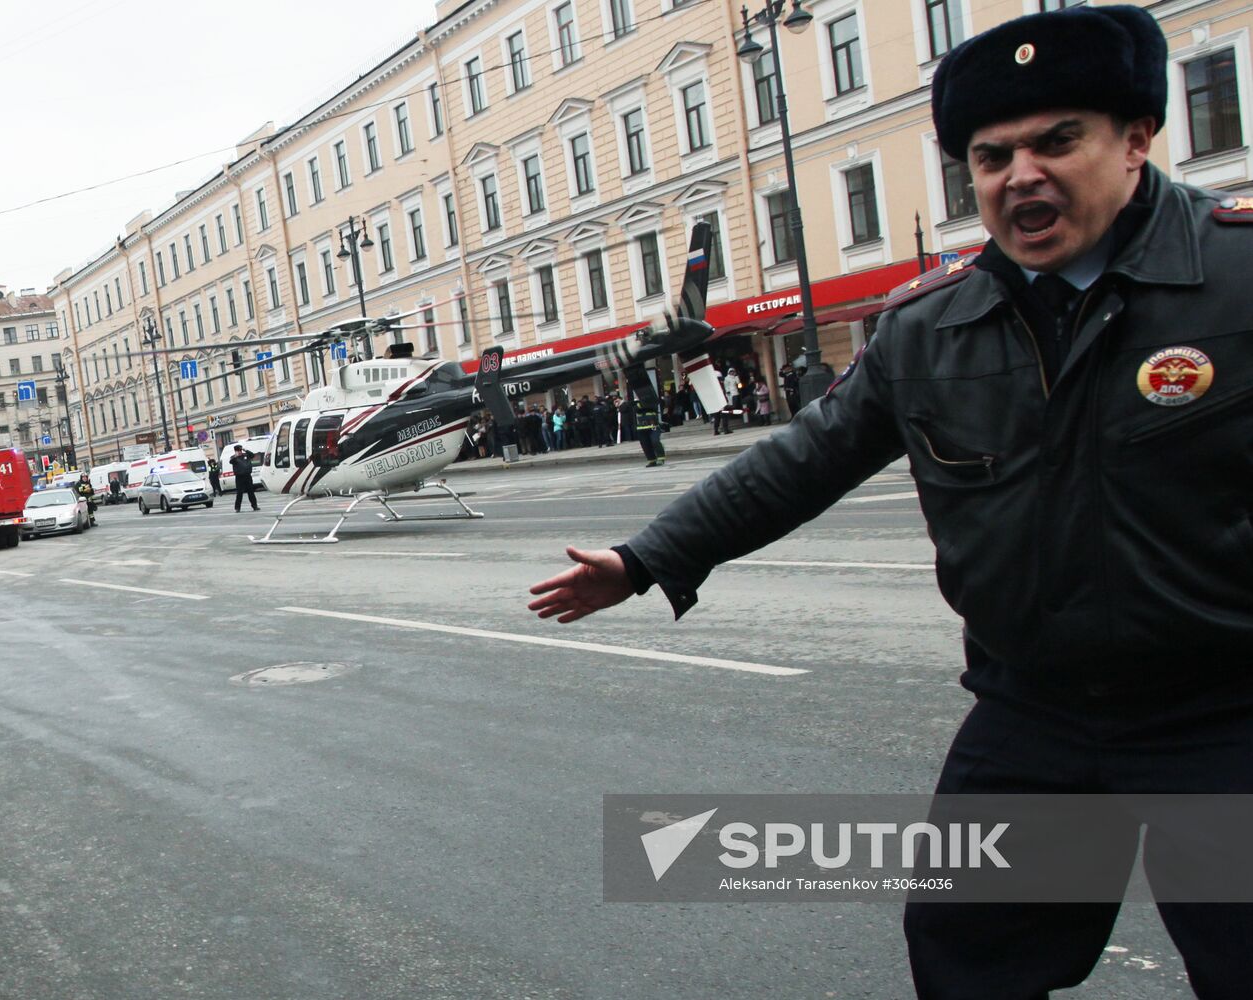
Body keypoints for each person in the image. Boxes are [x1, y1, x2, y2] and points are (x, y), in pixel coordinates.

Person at [528, 6, 1253, 997]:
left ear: (1134, 140)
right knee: (970, 961)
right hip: (1033, 717)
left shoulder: (1238, 283)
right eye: (990, 156)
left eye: (1057, 141)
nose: (1019, 175)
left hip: (1221, 718)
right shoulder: (932, 328)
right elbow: (801, 459)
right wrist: (647, 554)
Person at [633, 392, 665, 468]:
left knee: (655, 441)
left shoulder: (653, 403)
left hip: (653, 427)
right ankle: (652, 460)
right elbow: (636, 410)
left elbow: (652, 408)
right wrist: (642, 405)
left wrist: (644, 405)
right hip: (641, 428)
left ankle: (661, 458)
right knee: (645, 445)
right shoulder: (636, 404)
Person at [230, 444, 259, 512]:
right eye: (238, 451)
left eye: (240, 450)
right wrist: (235, 456)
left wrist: (245, 450)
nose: (240, 452)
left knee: (251, 492)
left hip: (247, 476)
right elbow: (231, 461)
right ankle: (237, 508)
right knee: (239, 493)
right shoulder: (234, 457)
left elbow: (252, 455)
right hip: (239, 477)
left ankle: (255, 506)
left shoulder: (246, 455)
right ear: (235, 451)